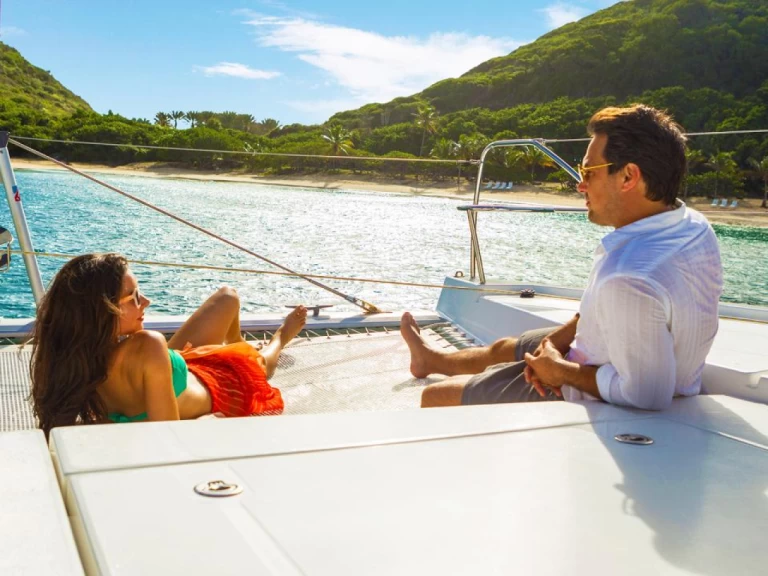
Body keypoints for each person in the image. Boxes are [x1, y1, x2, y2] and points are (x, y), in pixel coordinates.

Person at [401, 104, 723, 411]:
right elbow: (611, 311)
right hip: (598, 351)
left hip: (579, 393)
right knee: (506, 348)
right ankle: (432, 360)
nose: (580, 185)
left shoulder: (629, 278)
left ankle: (444, 373)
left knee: (434, 398)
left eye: (589, 171)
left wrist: (561, 371)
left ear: (628, 177)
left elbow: (648, 394)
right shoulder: (692, 225)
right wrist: (557, 340)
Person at [30, 253, 307, 435]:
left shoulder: (71, 363)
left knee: (227, 297)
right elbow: (168, 446)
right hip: (223, 384)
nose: (146, 302)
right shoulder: (148, 344)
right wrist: (202, 426)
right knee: (259, 362)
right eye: (135, 297)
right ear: (102, 311)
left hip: (181, 366)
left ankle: (235, 342)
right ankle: (280, 337)